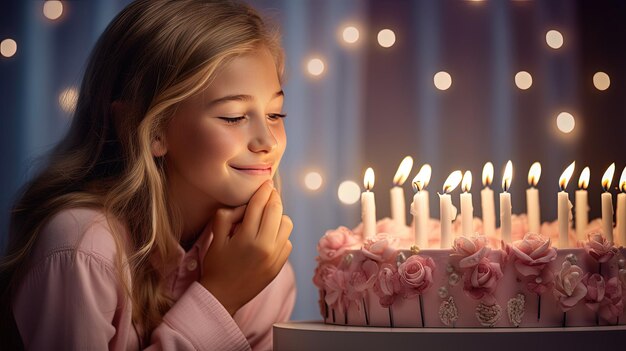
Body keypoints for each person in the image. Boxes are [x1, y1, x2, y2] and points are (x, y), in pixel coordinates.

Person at [0, 0, 295, 349]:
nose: (267, 142)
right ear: (147, 127)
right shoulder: (83, 247)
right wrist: (220, 298)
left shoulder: (263, 269)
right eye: (232, 116)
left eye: (276, 114)